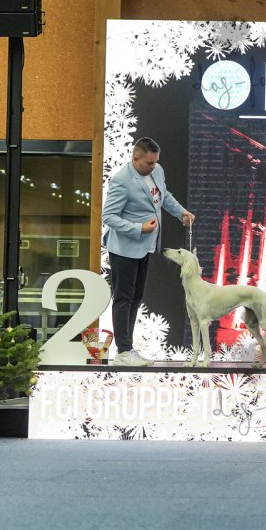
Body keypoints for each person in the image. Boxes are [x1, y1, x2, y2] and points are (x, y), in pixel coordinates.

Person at [102, 137, 194, 366]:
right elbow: (109, 216)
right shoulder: (122, 180)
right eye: (149, 163)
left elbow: (163, 196)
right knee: (123, 298)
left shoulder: (157, 170)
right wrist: (139, 228)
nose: (154, 167)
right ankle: (123, 351)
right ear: (136, 158)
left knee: (136, 297)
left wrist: (181, 212)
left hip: (145, 246)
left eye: (156, 162)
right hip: (124, 248)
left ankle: (128, 348)